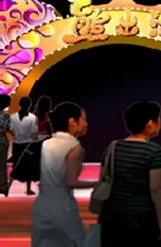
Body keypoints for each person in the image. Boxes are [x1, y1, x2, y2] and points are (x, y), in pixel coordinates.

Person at [100, 101, 161, 247]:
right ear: (150, 123)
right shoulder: (154, 151)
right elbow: (155, 189)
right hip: (143, 219)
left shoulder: (113, 147)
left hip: (114, 218)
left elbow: (104, 177)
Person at [31, 101, 98, 246]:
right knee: (79, 242)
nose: (86, 124)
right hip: (63, 207)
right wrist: (98, 183)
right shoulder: (74, 146)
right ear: (72, 122)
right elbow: (71, 182)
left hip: (42, 205)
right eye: (83, 119)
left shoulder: (46, 143)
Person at [10, 96, 40, 195]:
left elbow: (11, 130)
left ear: (19, 104)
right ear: (30, 105)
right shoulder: (33, 118)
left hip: (16, 144)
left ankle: (8, 186)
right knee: (28, 167)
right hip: (27, 145)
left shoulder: (12, 117)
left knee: (16, 165)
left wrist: (17, 135)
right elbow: (34, 134)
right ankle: (28, 189)